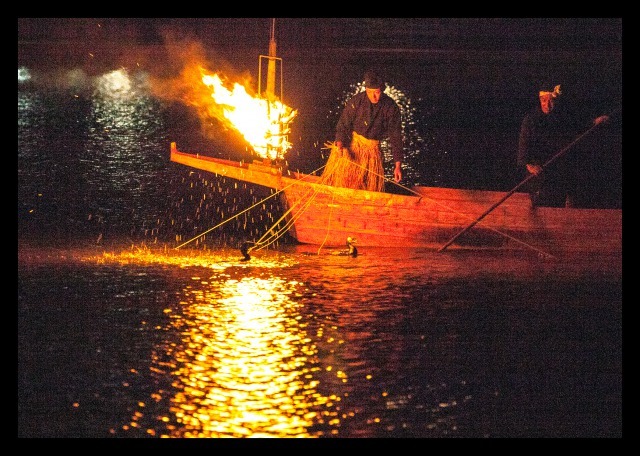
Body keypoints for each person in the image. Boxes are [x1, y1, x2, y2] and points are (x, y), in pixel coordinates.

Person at [517, 82, 609, 208]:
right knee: (542, 201)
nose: (547, 105)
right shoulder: (531, 119)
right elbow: (524, 145)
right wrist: (530, 166)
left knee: (562, 199)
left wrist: (594, 122)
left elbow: (577, 126)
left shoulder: (561, 117)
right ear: (540, 100)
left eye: (551, 101)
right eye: (544, 101)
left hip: (558, 169)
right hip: (539, 171)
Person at [320, 70, 403, 192]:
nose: (373, 96)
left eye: (377, 92)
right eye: (370, 92)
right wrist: (339, 144)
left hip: (372, 152)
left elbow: (396, 136)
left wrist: (398, 166)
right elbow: (343, 124)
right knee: (343, 182)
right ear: (366, 90)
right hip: (352, 148)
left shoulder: (390, 107)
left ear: (382, 90)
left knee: (370, 187)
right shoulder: (356, 101)